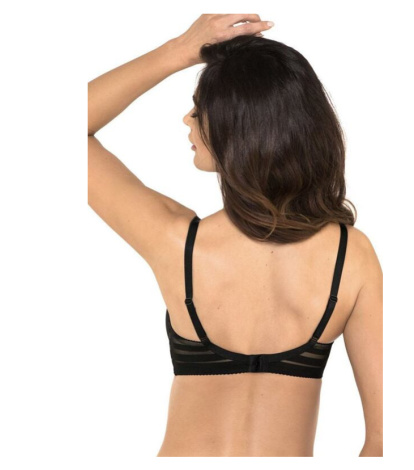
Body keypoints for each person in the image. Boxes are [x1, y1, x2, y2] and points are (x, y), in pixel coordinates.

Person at [88, 14, 383, 457]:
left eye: (199, 107)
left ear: (237, 125)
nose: (187, 118)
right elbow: (384, 441)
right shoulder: (351, 256)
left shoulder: (178, 243)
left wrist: (180, 50)